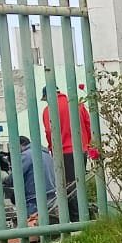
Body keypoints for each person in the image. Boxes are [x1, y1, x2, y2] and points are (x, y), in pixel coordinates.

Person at [42, 85, 98, 224]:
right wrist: (89, 144)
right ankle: (83, 214)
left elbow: (49, 132)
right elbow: (88, 125)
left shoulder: (49, 110)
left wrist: (51, 148)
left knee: (68, 186)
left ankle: (76, 219)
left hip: (63, 152)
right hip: (81, 149)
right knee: (78, 183)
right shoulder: (77, 104)